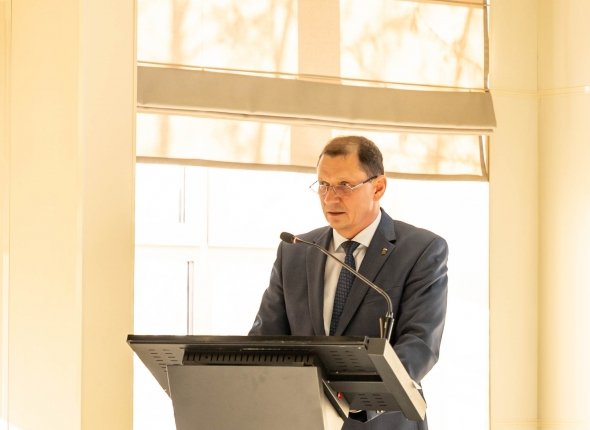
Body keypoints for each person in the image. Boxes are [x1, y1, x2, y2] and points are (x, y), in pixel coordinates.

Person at [249, 135, 448, 430]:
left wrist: (359, 399)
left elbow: (420, 344)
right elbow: (265, 339)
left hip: (383, 423)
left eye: (344, 185)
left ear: (378, 187)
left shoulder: (421, 250)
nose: (330, 198)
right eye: (323, 185)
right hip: (304, 420)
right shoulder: (295, 251)